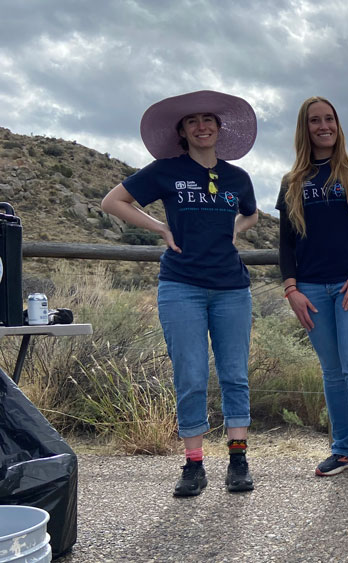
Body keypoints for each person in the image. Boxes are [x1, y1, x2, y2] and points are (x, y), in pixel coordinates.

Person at [101, 90, 259, 496]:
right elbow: (113, 201)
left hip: (231, 288)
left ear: (219, 129)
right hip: (181, 286)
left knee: (234, 374)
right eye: (193, 121)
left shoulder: (237, 178)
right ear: (182, 132)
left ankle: (238, 460)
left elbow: (251, 212)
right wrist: (160, 228)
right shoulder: (166, 170)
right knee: (189, 374)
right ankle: (193, 465)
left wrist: (235, 231)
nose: (202, 126)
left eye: (209, 119)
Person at [276, 96, 348, 493]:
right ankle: (345, 449)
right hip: (310, 289)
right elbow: (286, 244)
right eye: (314, 121)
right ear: (304, 128)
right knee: (332, 371)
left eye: (329, 119)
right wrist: (291, 288)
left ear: (338, 125)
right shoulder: (293, 182)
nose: (323, 126)